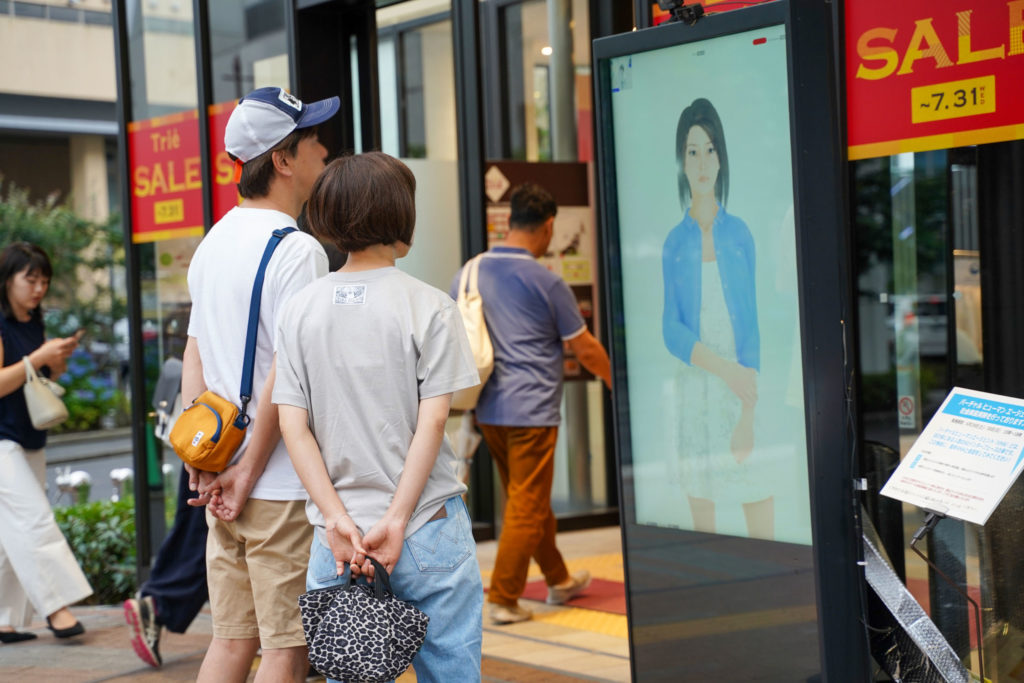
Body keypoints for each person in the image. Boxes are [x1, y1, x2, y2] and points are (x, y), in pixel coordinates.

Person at [275, 151, 484, 682]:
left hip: (339, 541)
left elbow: (293, 426)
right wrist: (396, 519)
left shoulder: (298, 311)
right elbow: (433, 423)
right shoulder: (430, 306)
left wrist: (337, 518)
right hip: (426, 527)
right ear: (400, 219)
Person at [157, 86, 337, 682]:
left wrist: (206, 463)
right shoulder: (298, 249)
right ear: (282, 159)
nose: (325, 150)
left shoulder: (211, 244)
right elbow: (286, 374)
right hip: (277, 482)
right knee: (286, 650)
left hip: (224, 478)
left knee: (232, 642)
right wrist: (250, 470)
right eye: (313, 141)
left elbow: (194, 358)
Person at [451, 182, 612, 625]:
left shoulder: (469, 272)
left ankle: (558, 579)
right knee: (527, 502)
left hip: (488, 410)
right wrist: (618, 380)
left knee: (529, 499)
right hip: (533, 412)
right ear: (547, 227)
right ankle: (503, 597)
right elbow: (585, 348)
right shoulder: (548, 281)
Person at [661, 97, 772, 539]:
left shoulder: (739, 233)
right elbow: (671, 329)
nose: (702, 162)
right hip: (699, 387)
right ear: (681, 162)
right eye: (692, 151)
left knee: (756, 488)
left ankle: (768, 588)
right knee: (702, 502)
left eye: (709, 150)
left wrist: (746, 402)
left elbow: (753, 324)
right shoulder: (674, 242)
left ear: (721, 159)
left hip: (742, 387)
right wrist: (724, 370)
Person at [0, 242, 92, 643]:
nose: (38, 288)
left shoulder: (32, 323)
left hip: (28, 434)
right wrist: (38, 358)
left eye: (44, 281)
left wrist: (56, 358)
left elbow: (34, 377)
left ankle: (3, 618)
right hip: (2, 440)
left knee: (8, 533)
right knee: (34, 520)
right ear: (7, 280)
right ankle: (58, 609)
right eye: (29, 279)